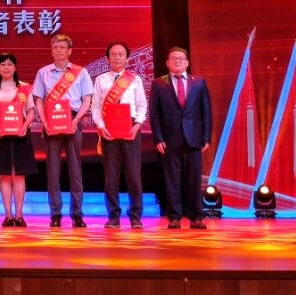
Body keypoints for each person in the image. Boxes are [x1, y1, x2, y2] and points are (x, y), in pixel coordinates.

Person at [32, 34, 93, 228]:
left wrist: (76, 119)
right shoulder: (43, 72)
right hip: (51, 122)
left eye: (62, 47)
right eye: (55, 47)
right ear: (51, 50)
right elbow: (38, 100)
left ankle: (77, 213)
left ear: (69, 50)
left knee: (75, 170)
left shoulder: (80, 72)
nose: (59, 50)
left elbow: (87, 100)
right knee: (53, 170)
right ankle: (55, 213)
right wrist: (44, 121)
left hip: (73, 120)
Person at [149, 47, 212, 230]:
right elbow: (154, 114)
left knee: (194, 180)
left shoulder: (199, 82)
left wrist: (206, 137)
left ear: (187, 63)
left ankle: (196, 217)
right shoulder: (159, 83)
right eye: (173, 58)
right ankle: (174, 217)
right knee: (172, 181)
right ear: (167, 63)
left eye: (181, 58)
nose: (177, 61)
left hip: (194, 139)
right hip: (169, 139)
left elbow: (206, 111)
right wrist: (158, 138)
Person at [91, 41, 148, 229]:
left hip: (130, 128)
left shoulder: (135, 79)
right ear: (108, 58)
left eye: (120, 54)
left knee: (134, 175)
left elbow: (142, 105)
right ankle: (113, 217)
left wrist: (137, 124)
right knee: (111, 177)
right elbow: (95, 106)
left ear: (127, 59)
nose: (117, 58)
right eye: (113, 55)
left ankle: (135, 216)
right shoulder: (101, 80)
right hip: (108, 129)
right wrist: (101, 126)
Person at [0, 53, 35, 227]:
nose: (6, 68)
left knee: (19, 176)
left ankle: (19, 215)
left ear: (15, 67)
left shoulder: (24, 88)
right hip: (0, 135)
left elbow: (31, 111)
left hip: (21, 134)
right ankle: (7, 215)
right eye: (3, 64)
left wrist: (26, 125)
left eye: (10, 64)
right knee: (4, 176)